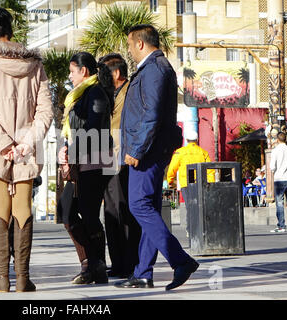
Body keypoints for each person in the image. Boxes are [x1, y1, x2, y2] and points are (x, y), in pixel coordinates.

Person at [0, 6, 53, 292]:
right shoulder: (34, 65)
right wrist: (25, 143)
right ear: (12, 33)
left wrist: (5, 145)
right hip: (26, 150)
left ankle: (2, 278)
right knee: (23, 210)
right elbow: (45, 112)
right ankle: (23, 279)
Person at [115, 24, 199, 291]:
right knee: (148, 207)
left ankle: (180, 261)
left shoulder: (154, 69)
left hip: (147, 152)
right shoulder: (156, 68)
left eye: (129, 45)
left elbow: (150, 115)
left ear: (140, 44)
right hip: (152, 149)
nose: (129, 51)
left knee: (139, 205)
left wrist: (136, 150)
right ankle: (142, 272)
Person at [58, 51, 114, 285]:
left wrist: (73, 149)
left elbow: (94, 127)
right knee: (67, 212)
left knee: (89, 214)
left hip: (96, 160)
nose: (70, 76)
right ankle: (89, 263)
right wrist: (65, 148)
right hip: (79, 158)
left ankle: (97, 266)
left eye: (72, 71)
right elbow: (72, 128)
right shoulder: (77, 96)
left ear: (84, 71)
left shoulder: (96, 92)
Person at [98, 53, 141, 278]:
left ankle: (128, 262)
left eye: (104, 72)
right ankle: (118, 262)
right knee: (110, 211)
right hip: (108, 158)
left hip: (122, 159)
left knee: (122, 210)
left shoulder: (129, 91)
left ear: (116, 73)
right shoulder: (108, 93)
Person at [166, 130, 214, 236]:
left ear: (186, 140)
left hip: (186, 183)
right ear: (197, 140)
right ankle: (201, 228)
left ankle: (190, 229)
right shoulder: (203, 152)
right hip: (201, 183)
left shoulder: (180, 152)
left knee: (189, 206)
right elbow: (210, 170)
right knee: (200, 206)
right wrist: (210, 183)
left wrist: (170, 181)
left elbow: (172, 168)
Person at [269, 132, 287, 233]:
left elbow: (272, 167)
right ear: (285, 139)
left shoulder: (275, 151)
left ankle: (281, 226)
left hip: (279, 179)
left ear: (277, 140)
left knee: (279, 202)